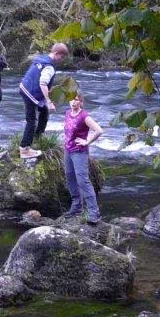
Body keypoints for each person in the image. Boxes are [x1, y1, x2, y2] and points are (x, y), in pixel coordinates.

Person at [17, 42, 69, 159]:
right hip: (31, 93)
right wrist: (49, 101)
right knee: (31, 121)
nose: (62, 60)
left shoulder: (41, 58)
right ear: (56, 54)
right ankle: (24, 149)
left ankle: (37, 137)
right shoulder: (49, 66)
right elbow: (43, 83)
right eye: (61, 57)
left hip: (24, 87)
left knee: (44, 111)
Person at [62, 93, 102, 224]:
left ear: (81, 103)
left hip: (79, 152)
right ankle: (77, 206)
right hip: (68, 151)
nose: (73, 102)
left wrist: (87, 141)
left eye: (76, 100)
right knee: (69, 177)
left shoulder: (84, 116)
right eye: (71, 99)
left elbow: (99, 130)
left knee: (83, 181)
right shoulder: (68, 113)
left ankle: (94, 212)